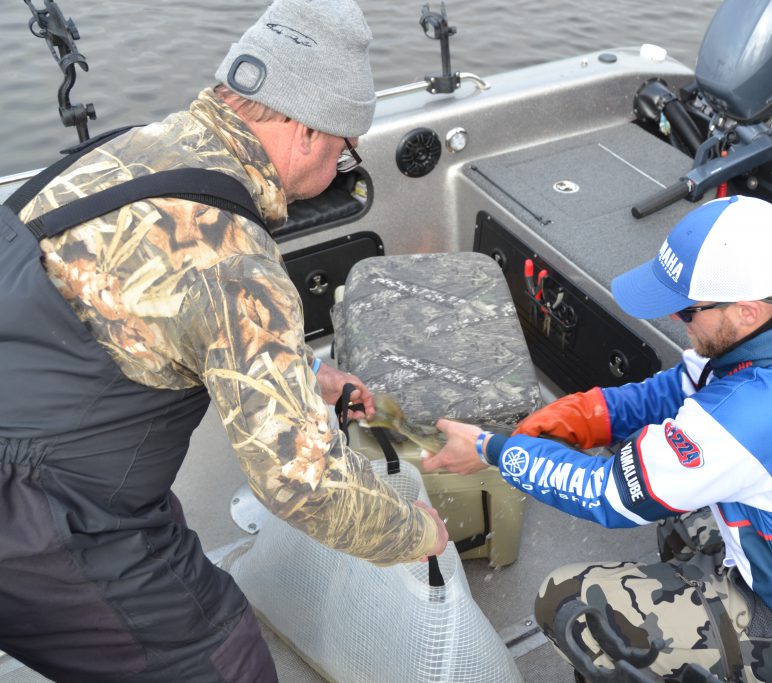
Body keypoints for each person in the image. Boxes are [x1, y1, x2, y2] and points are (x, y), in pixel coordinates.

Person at [0, 0, 448, 681]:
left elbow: (149, 312)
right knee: (219, 654)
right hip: (45, 519)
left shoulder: (132, 150)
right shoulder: (235, 264)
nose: (340, 165)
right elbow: (303, 486)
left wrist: (308, 377)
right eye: (345, 148)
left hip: (30, 438)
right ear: (305, 130)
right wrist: (416, 531)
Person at [424, 195, 772, 682]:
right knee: (670, 491)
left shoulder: (757, 414)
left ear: (747, 311)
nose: (675, 318)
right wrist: (590, 415)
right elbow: (688, 387)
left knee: (572, 604)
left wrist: (494, 450)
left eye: (688, 311)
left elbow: (608, 494)